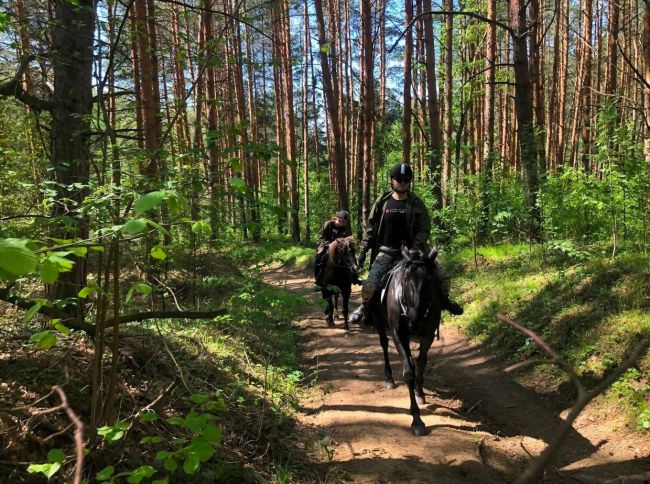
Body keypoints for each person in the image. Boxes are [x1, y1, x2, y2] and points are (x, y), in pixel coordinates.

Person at [349, 162, 463, 324]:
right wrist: (363, 251)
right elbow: (370, 228)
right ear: (392, 180)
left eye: (406, 180)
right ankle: (364, 306)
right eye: (398, 179)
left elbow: (425, 228)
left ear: (410, 182)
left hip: (414, 251)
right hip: (387, 251)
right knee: (371, 283)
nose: (402, 183)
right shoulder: (382, 201)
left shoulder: (417, 203)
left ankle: (445, 301)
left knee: (443, 276)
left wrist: (416, 247)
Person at [314, 210, 353, 285]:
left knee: (350, 256)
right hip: (325, 246)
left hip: (339, 248)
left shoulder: (344, 229)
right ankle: (317, 280)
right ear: (338, 219)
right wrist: (328, 244)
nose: (343, 223)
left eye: (345, 222)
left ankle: (354, 276)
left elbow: (345, 239)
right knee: (319, 259)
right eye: (343, 221)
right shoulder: (328, 224)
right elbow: (321, 237)